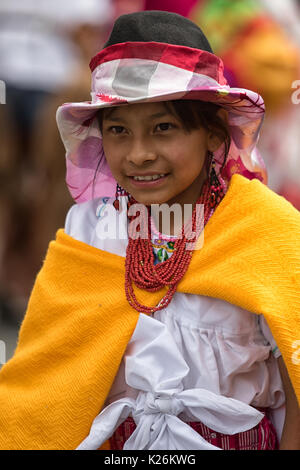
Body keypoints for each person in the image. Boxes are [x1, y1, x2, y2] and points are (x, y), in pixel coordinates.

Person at [0, 11, 299, 451]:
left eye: (163, 128)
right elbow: (49, 376)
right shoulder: (91, 231)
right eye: (119, 131)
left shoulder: (268, 230)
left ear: (214, 135)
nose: (139, 154)